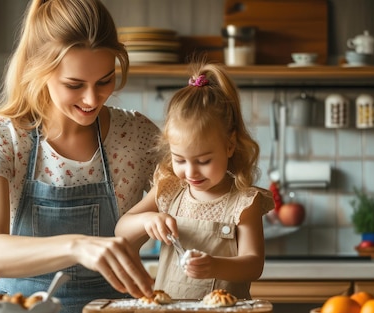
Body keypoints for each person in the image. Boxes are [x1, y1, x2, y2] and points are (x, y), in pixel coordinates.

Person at [0, 0, 158, 313]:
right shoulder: (1, 136)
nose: (92, 99)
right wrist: (77, 246)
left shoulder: (136, 135)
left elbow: (190, 194)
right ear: (40, 69)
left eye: (104, 81)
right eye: (74, 85)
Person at [115, 62, 274, 300]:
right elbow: (122, 231)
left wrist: (215, 266)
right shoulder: (168, 190)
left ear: (229, 146)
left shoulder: (244, 202)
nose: (191, 172)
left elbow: (253, 265)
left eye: (203, 161)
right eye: (180, 160)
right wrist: (147, 220)